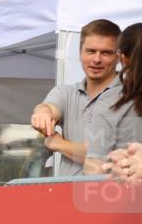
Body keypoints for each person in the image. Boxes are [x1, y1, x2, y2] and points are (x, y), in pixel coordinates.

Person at [30, 19, 122, 176]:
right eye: (91, 51)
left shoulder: (131, 97)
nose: (97, 59)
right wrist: (42, 112)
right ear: (80, 53)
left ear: (118, 56)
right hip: (66, 196)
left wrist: (59, 144)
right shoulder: (66, 92)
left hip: (114, 196)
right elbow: (48, 108)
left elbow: (106, 157)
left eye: (105, 52)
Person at [85, 23, 142, 174]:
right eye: (91, 51)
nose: (97, 59)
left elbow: (94, 169)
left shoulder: (112, 100)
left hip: (124, 194)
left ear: (122, 58)